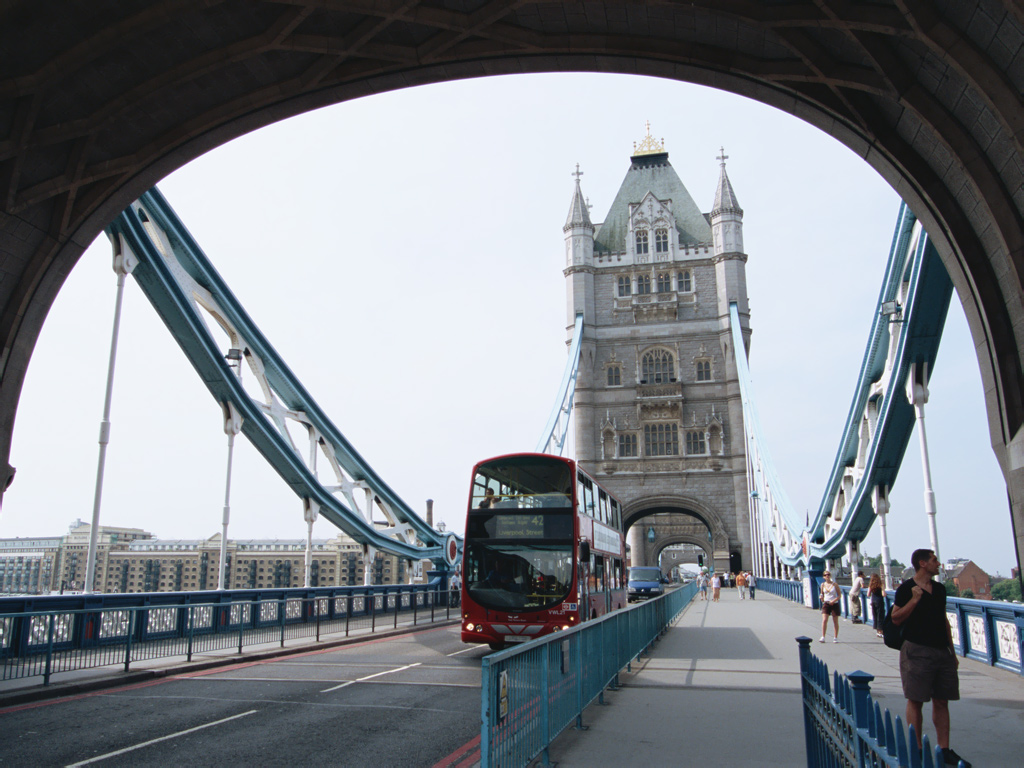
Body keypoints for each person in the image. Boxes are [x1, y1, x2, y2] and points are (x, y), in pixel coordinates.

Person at [891, 549, 969, 767]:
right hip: (917, 651)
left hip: (941, 651)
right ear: (922, 563)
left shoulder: (940, 589)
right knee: (916, 700)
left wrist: (952, 652)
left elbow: (944, 621)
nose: (938, 563)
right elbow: (895, 618)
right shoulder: (906, 589)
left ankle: (944, 750)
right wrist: (914, 600)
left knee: (942, 700)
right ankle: (916, 749)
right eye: (934, 560)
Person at [819, 570, 841, 643]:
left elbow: (839, 595)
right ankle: (823, 636)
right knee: (824, 620)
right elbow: (822, 594)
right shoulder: (822, 585)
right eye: (825, 575)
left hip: (834, 604)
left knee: (835, 621)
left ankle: (835, 637)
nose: (827, 576)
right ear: (823, 577)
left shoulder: (835, 585)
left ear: (830, 576)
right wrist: (821, 598)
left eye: (828, 574)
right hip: (826, 603)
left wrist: (833, 601)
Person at [869, 573, 885, 638]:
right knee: (880, 616)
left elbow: (868, 594)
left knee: (875, 615)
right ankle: (881, 631)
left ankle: (878, 631)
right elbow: (884, 594)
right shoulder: (881, 585)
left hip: (873, 601)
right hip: (879, 601)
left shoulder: (871, 585)